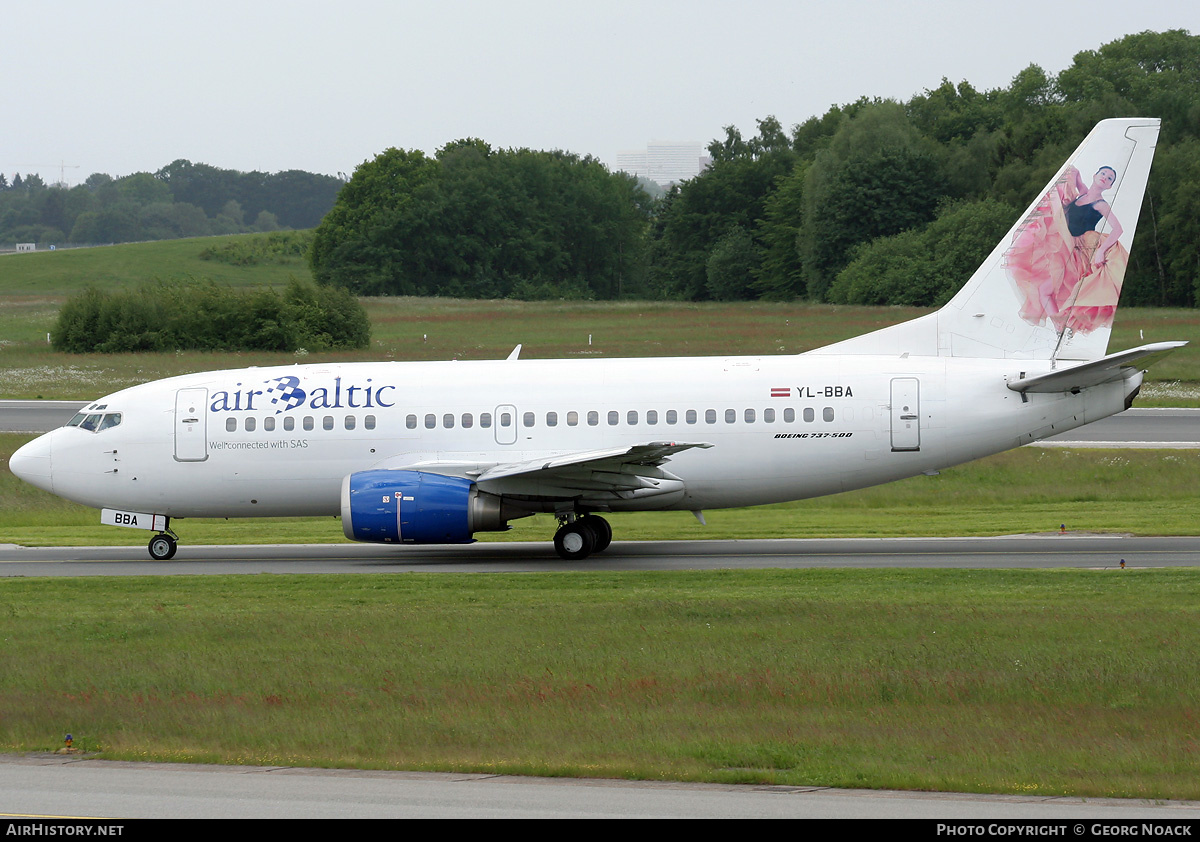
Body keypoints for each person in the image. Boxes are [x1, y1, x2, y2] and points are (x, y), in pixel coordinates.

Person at [1004, 165, 1128, 334]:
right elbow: (1074, 172)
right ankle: (1061, 328)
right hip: (1065, 246)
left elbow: (1118, 229)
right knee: (1044, 291)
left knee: (1046, 291)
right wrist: (1074, 174)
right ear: (1095, 175)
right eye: (1103, 173)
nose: (1105, 178)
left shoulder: (1100, 205)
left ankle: (1062, 329)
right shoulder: (1083, 193)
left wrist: (1101, 251)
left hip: (1080, 251)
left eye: (1109, 178)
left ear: (1109, 186)